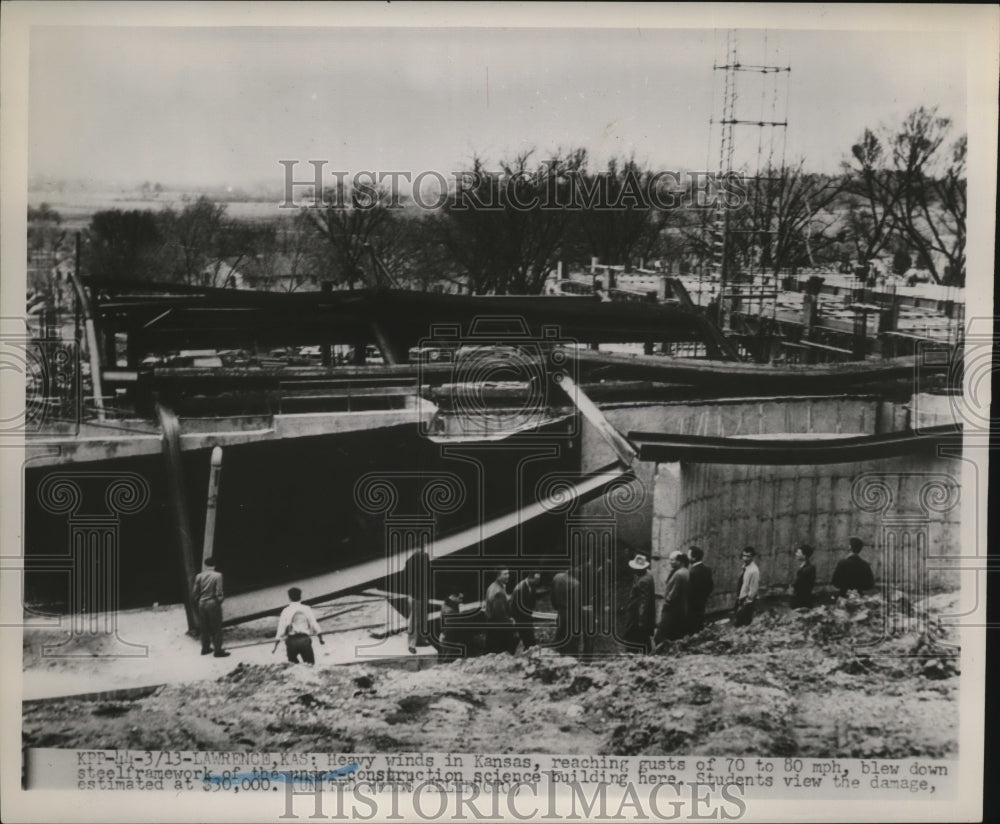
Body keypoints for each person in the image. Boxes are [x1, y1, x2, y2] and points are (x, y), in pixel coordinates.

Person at [272, 587, 325, 664]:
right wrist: (320, 638)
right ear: (300, 596)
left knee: (294, 667)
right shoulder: (306, 609)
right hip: (304, 640)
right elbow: (314, 624)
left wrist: (275, 645)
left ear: (289, 597)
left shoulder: (286, 611)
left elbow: (281, 629)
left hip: (291, 641)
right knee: (310, 665)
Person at [191, 556, 229, 657]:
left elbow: (195, 592)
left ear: (205, 565)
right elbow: (219, 592)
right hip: (212, 603)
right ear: (215, 565)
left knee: (204, 628)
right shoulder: (218, 575)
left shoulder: (199, 576)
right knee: (216, 628)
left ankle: (205, 648)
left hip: (201, 603)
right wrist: (220, 601)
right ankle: (218, 651)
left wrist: (197, 602)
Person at [621, 552, 655, 653]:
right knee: (643, 637)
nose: (634, 570)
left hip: (636, 614)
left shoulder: (643, 581)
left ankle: (632, 654)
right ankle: (646, 652)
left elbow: (644, 602)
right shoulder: (647, 574)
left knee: (633, 635)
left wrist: (641, 619)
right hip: (637, 612)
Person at [654, 551, 690, 646]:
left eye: (672, 560)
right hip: (680, 610)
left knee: (659, 636)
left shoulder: (679, 574)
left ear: (680, 561)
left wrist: (666, 604)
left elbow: (673, 594)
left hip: (671, 611)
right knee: (675, 636)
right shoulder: (686, 572)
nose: (670, 562)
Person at [404, 548, 432, 654]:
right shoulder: (419, 559)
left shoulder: (413, 561)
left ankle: (419, 640)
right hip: (417, 595)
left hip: (420, 594)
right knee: (415, 621)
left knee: (420, 619)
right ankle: (412, 644)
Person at [550, 567, 583, 654]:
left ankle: (558, 655)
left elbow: (552, 595)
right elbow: (576, 604)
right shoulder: (575, 584)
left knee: (560, 635)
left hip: (560, 611)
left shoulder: (557, 577)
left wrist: (556, 607)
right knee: (573, 638)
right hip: (571, 613)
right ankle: (572, 658)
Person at [484, 569, 516, 654]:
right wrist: (510, 621)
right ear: (498, 575)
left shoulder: (493, 586)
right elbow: (499, 613)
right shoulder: (498, 591)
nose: (508, 575)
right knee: (502, 653)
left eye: (508, 573)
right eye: (505, 574)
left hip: (492, 626)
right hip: (498, 628)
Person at [687, 546, 714, 634]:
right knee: (699, 628)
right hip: (702, 604)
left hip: (692, 607)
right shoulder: (707, 570)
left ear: (694, 558)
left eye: (689, 555)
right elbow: (710, 586)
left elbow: (689, 592)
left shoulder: (692, 572)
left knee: (691, 629)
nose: (688, 557)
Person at [510, 572, 541, 650]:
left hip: (528, 617)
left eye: (538, 580)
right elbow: (514, 607)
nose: (538, 582)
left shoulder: (532, 586)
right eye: (536, 580)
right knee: (524, 640)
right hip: (520, 619)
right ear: (530, 578)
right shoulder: (519, 589)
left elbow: (532, 602)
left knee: (530, 640)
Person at [732, 547, 760, 627]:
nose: (745, 558)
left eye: (748, 556)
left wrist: (745, 604)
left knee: (742, 623)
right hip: (741, 598)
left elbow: (753, 590)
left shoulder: (754, 570)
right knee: (738, 621)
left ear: (752, 557)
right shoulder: (745, 567)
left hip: (747, 601)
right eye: (744, 556)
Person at [437, 592, 466, 662]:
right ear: (454, 597)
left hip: (447, 632)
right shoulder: (450, 610)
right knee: (448, 654)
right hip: (449, 634)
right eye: (460, 598)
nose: (461, 601)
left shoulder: (450, 604)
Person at [790, 544, 817, 609]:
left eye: (798, 552)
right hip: (800, 599)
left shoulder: (808, 569)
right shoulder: (805, 567)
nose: (796, 554)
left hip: (802, 601)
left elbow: (802, 586)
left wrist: (793, 589)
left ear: (804, 555)